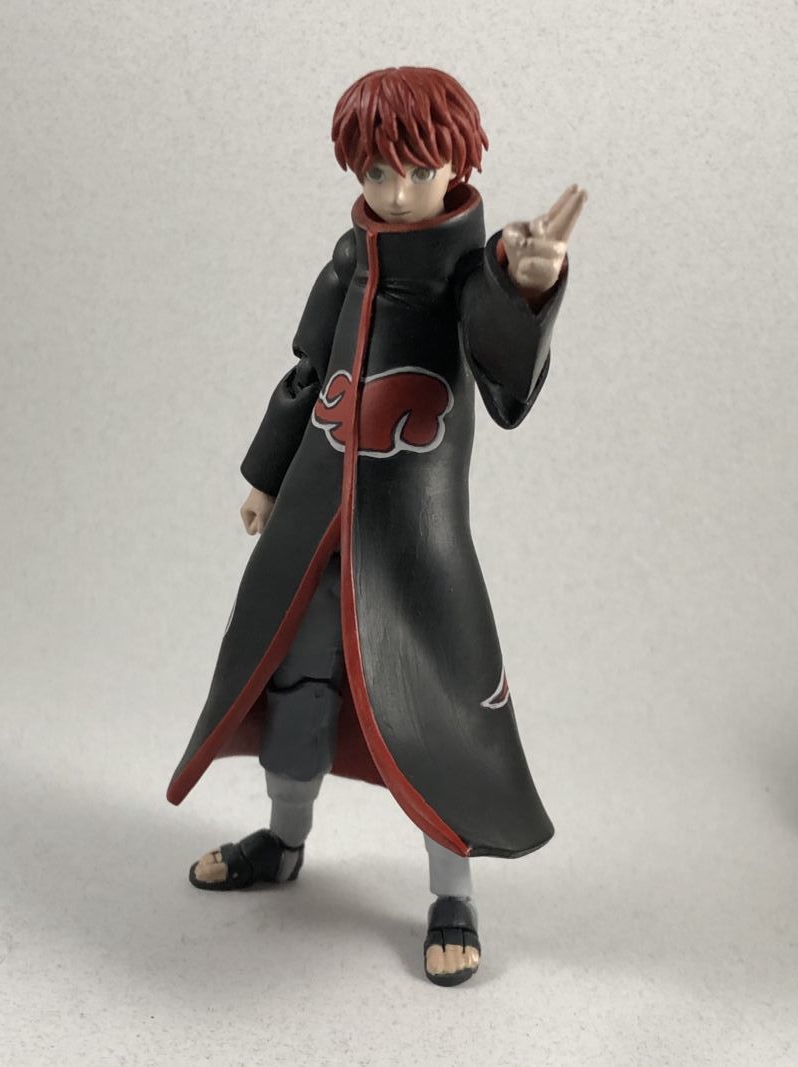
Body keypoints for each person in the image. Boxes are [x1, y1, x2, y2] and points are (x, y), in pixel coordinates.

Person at [167, 66, 586, 986]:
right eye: (376, 173)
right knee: (294, 677)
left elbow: (505, 385)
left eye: (418, 171)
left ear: (458, 164)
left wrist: (528, 288)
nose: (396, 194)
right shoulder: (348, 258)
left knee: (435, 707)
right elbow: (305, 372)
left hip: (416, 543)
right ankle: (284, 840)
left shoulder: (469, 274)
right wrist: (266, 475)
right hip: (315, 520)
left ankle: (452, 894)